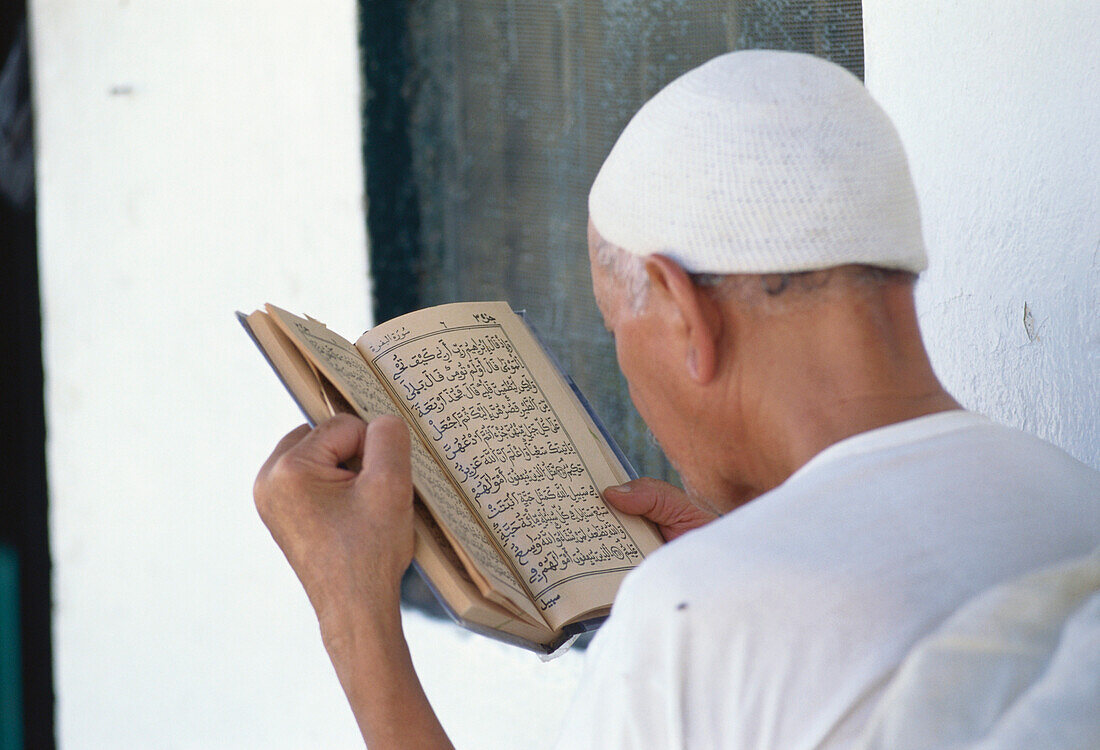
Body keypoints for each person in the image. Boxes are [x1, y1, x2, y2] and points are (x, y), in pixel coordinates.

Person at [253, 51, 1100, 749]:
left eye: (618, 334)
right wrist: (736, 554)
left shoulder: (702, 624)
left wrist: (353, 615)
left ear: (681, 305)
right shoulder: (1073, 493)